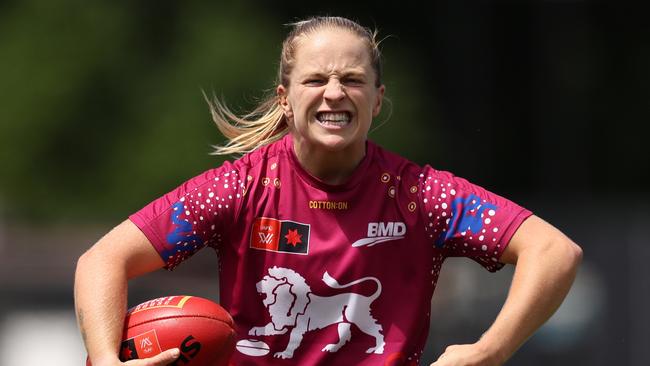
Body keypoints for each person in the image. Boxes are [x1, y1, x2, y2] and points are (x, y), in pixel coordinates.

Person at [74, 16, 582, 366]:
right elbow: (102, 261)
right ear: (286, 99)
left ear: (378, 100)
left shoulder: (421, 194)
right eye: (316, 78)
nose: (334, 92)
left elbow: (553, 251)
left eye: (353, 79)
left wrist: (490, 350)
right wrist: (104, 358)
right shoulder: (241, 186)